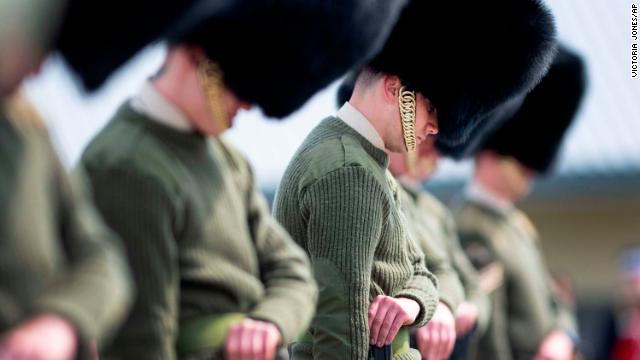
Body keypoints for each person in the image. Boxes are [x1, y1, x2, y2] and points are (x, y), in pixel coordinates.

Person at [80, 1, 411, 359]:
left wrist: (269, 322)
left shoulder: (229, 160)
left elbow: (294, 274)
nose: (250, 104)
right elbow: (142, 343)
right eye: (240, 83)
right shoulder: (126, 165)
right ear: (196, 55)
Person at [273, 0, 558, 358]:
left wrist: (413, 302)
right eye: (432, 107)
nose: (436, 127)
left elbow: (422, 273)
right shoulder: (350, 171)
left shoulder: (367, 165)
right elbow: (339, 330)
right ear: (395, 89)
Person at [452, 46, 587, 360]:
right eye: (522, 162)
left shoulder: (516, 225)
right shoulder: (473, 227)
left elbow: (554, 302)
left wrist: (562, 336)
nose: (529, 173)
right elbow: (486, 341)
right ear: (491, 151)